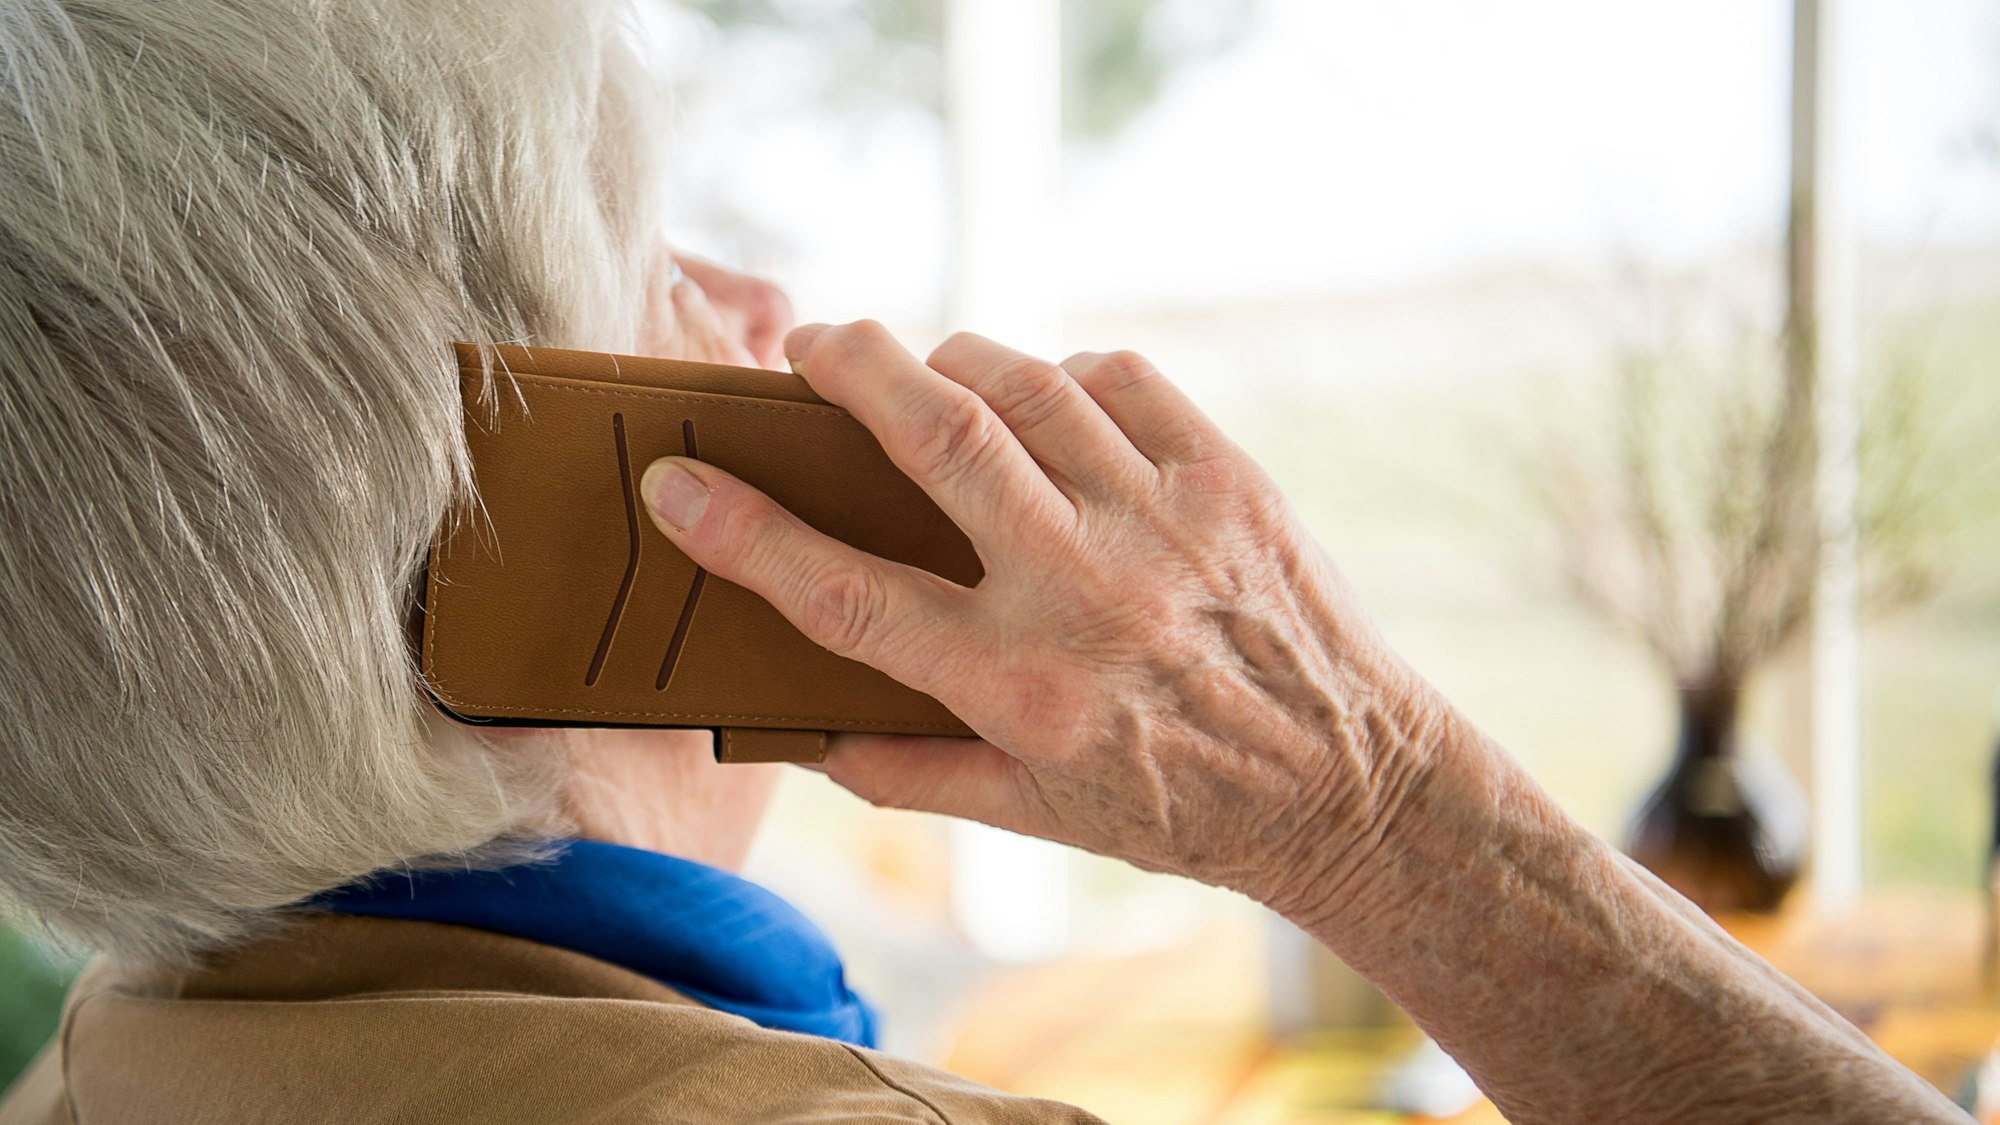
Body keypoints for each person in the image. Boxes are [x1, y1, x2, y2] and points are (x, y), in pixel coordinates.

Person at [0, 1, 1967, 1123]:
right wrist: (1374, 808)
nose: (765, 299)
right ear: (540, 530)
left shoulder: (113, 1062)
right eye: (662, 268)